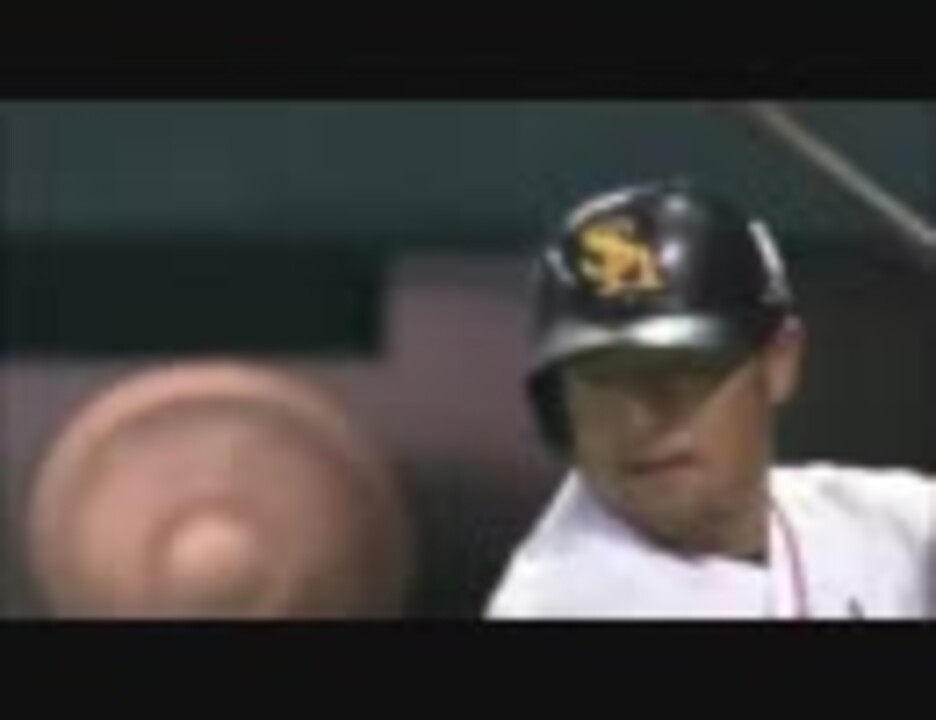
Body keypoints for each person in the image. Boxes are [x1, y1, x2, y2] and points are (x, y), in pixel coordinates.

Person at [485, 179, 935, 619]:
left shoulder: (863, 522)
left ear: (779, 361)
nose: (639, 417)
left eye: (685, 368)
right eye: (604, 376)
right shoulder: (565, 599)